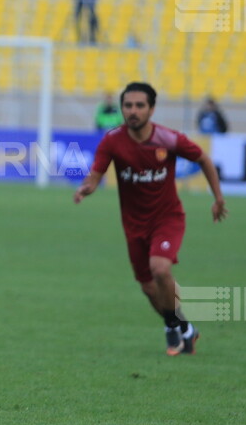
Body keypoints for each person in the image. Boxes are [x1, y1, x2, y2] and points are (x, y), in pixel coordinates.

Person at [74, 82, 227, 354]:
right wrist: (88, 187)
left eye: (139, 105)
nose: (133, 111)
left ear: (152, 109)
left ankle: (172, 327)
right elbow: (96, 174)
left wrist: (218, 197)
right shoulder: (112, 140)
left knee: (160, 269)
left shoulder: (168, 139)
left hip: (167, 218)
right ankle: (185, 328)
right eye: (128, 105)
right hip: (133, 225)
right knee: (148, 287)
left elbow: (203, 158)